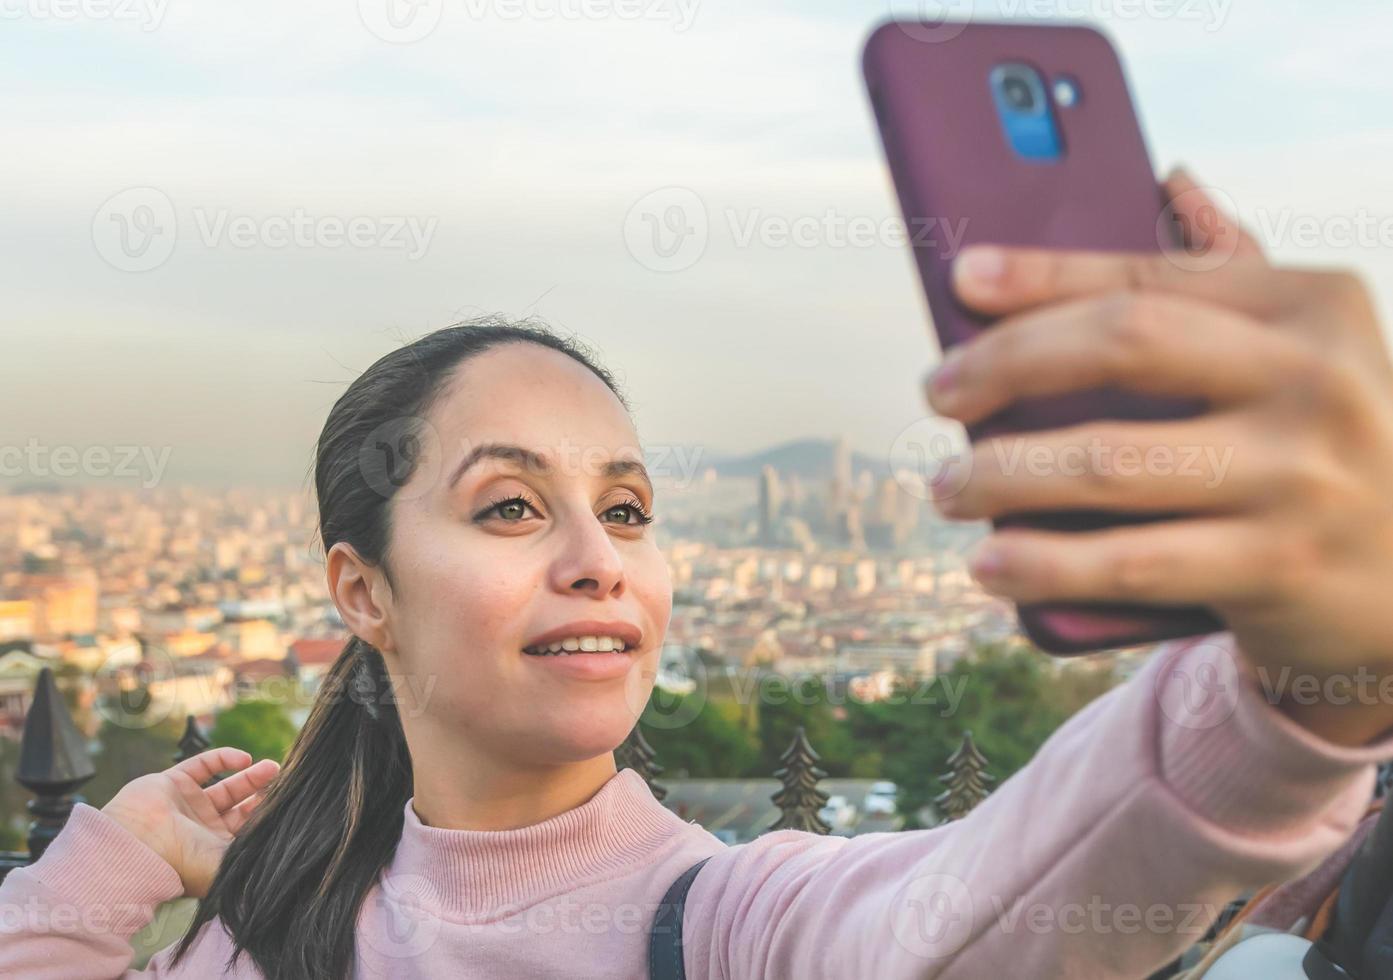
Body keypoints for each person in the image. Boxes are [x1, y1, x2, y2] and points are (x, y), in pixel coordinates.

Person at [3, 172, 1393, 980]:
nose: (598, 560)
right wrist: (122, 854)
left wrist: (1296, 691)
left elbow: (989, 918)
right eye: (507, 506)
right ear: (360, 591)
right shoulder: (269, 924)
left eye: (625, 507)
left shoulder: (724, 920)